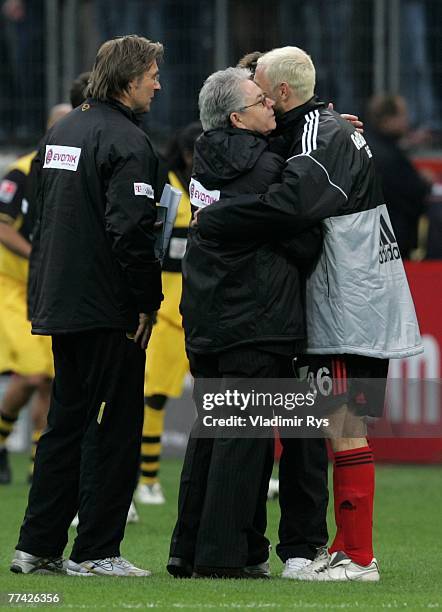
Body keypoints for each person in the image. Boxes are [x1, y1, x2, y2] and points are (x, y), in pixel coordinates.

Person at [193, 46, 423, 582]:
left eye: (259, 87)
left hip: (349, 300)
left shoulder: (322, 135)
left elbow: (294, 204)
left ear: (280, 94)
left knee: (342, 424)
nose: (259, 100)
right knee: (339, 422)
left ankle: (358, 555)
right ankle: (344, 548)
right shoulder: (321, 129)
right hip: (359, 295)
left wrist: (219, 218)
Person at [11, 35, 164, 577]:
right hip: (108, 305)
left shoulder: (63, 130)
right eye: (151, 75)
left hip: (60, 296)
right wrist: (147, 299)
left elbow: (47, 217)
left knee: (65, 424)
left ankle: (37, 545)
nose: (158, 84)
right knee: (118, 424)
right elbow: (131, 231)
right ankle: (98, 550)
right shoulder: (128, 140)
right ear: (129, 80)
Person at [167, 66, 322, 579]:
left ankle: (189, 547)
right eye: (260, 101)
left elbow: (223, 225)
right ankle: (224, 554)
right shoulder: (264, 167)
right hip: (256, 316)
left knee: (212, 430)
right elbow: (303, 234)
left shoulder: (205, 159)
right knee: (245, 437)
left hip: (207, 315)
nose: (270, 107)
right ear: (238, 116)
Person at [0, 103, 71, 485]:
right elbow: (2, 227)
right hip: (12, 287)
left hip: (47, 288)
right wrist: (39, 255)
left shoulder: (72, 172)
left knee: (48, 378)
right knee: (32, 374)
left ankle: (37, 466)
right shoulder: (21, 170)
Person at [136, 122, 201, 506]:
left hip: (202, 304)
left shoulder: (210, 187)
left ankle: (257, 476)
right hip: (167, 308)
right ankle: (147, 479)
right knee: (155, 395)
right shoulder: (167, 187)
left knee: (221, 393)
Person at [366, 94, 432, 259]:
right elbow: (415, 193)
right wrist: (425, 183)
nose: (407, 120)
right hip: (394, 241)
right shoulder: (388, 157)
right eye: (403, 115)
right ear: (388, 119)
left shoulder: (372, 144)